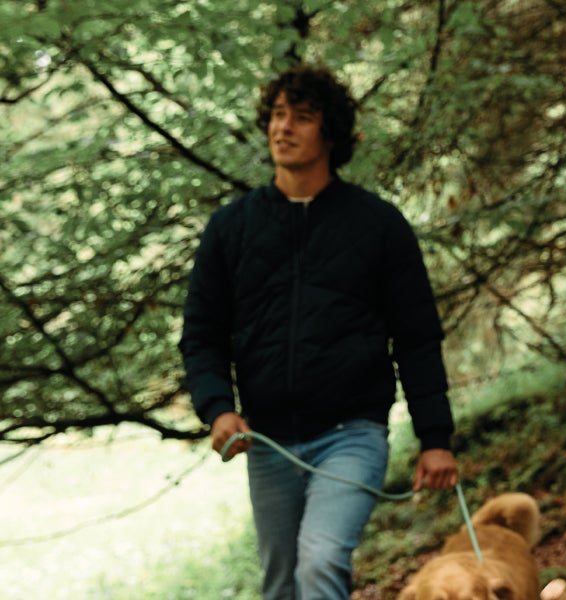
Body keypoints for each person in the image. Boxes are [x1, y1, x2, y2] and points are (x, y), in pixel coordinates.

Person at [179, 65, 459, 600]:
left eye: (301, 117)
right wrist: (217, 407)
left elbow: (418, 338)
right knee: (282, 584)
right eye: (278, 115)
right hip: (266, 440)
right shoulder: (231, 228)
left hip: (351, 433)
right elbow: (202, 333)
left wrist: (435, 439)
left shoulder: (378, 225)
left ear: (329, 133)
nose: (283, 128)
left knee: (321, 560)